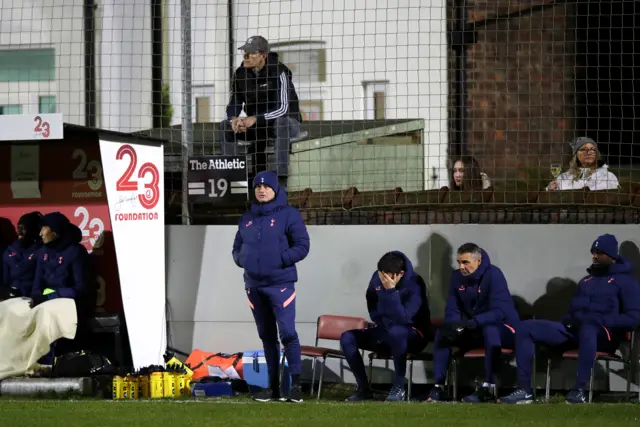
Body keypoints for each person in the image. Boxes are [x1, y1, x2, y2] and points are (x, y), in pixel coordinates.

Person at [500, 234, 640, 405]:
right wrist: (568, 321)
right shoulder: (586, 281)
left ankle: (579, 391)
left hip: (603, 335)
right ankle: (525, 391)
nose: (594, 256)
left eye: (600, 252)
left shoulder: (626, 282)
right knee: (525, 328)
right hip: (575, 331)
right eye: (593, 252)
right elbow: (572, 311)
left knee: (589, 327)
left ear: (611, 255)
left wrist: (604, 321)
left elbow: (633, 318)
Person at [232, 170, 310, 403]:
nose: (262, 190)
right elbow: (237, 247)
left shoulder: (289, 215)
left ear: (275, 189)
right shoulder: (247, 217)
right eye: (257, 187)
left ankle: (295, 386)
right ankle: (273, 388)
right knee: (266, 336)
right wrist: (241, 259)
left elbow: (303, 246)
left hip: (280, 284)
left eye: (266, 187)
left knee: (287, 333)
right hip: (254, 285)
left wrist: (280, 260)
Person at [427, 243, 520, 403]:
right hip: (475, 327)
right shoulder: (456, 277)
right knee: (443, 333)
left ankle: (488, 388)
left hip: (504, 328)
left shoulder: (494, 275)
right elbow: (452, 307)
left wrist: (472, 323)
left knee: (490, 330)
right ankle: (438, 388)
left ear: (478, 261)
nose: (461, 267)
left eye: (465, 262)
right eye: (459, 262)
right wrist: (454, 325)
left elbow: (499, 312)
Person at [340, 251, 431, 402]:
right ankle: (363, 388)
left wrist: (391, 291)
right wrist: (380, 320)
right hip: (386, 329)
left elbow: (404, 318)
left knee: (397, 331)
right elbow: (372, 302)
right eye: (381, 274)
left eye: (386, 276)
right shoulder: (377, 277)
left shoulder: (415, 283)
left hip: (414, 334)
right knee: (347, 337)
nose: (382, 280)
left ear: (400, 274)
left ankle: (399, 386)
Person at [222, 35, 302, 190]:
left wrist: (254, 119)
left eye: (251, 53)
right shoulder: (240, 74)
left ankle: (281, 181)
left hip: (286, 124)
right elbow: (234, 103)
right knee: (225, 126)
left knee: (281, 122)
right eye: (244, 52)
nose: (246, 56)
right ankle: (231, 181)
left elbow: (283, 109)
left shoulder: (280, 72)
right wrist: (234, 119)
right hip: (258, 126)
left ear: (263, 56)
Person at [546, 136, 619, 191]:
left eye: (593, 149)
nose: (589, 152)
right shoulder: (563, 177)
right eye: (583, 149)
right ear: (575, 155)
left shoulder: (608, 177)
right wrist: (548, 189)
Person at [1, 212, 43, 300]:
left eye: (23, 228)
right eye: (18, 228)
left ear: (32, 230)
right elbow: (5, 279)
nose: (19, 232)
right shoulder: (10, 250)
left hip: (33, 297)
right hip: (12, 297)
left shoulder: (42, 249)